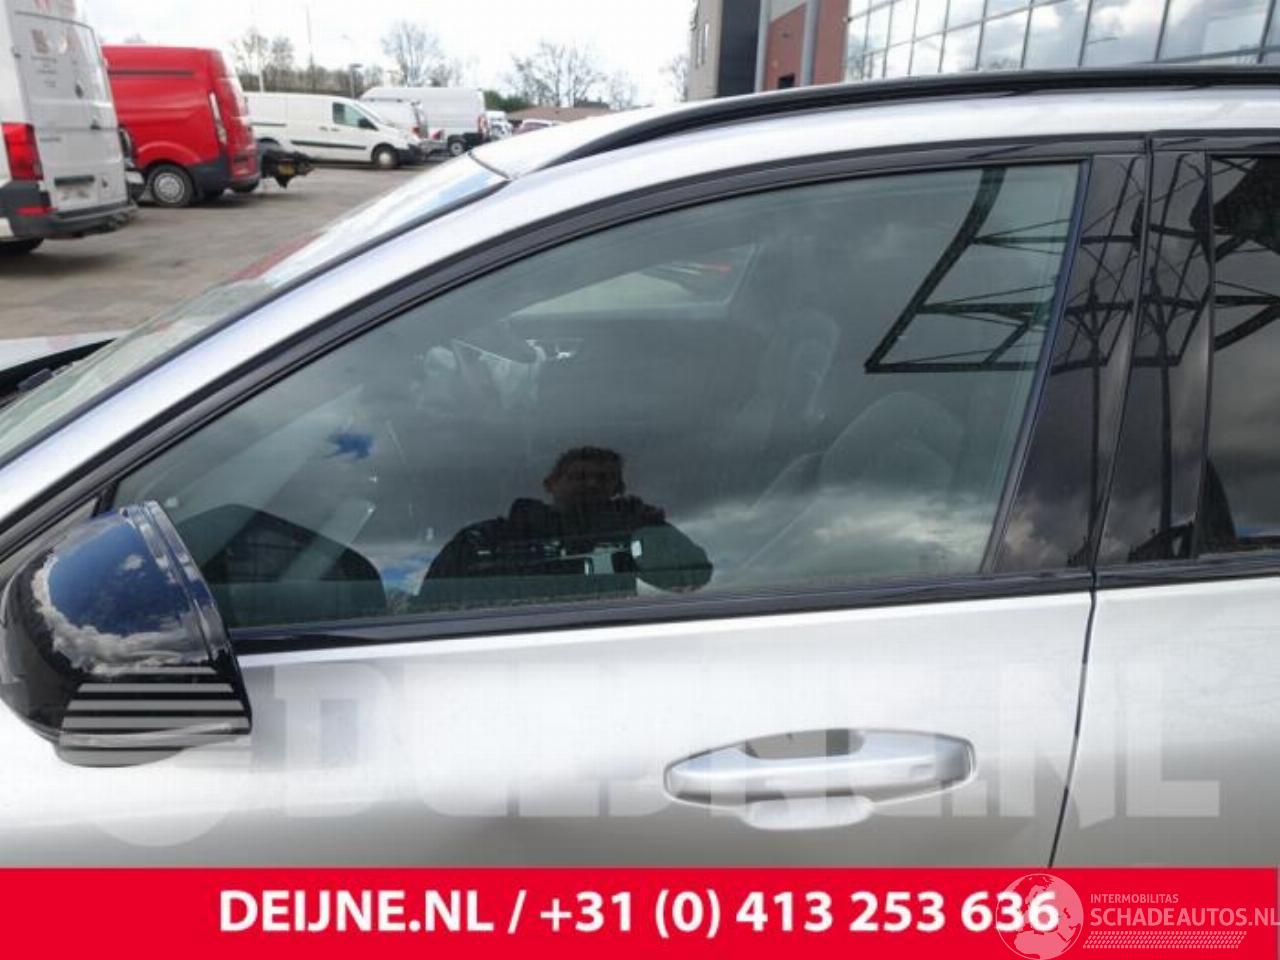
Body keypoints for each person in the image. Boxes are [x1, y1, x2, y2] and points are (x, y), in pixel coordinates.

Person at [419, 446, 712, 606]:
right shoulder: (486, 539)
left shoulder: (633, 532)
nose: (591, 484)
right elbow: (430, 606)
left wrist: (651, 530)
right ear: (551, 484)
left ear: (618, 489)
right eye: (579, 476)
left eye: (603, 478)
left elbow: (693, 578)